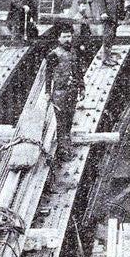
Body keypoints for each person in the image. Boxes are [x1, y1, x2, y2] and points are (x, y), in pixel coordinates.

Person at [45, 27, 84, 160]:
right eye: (64, 37)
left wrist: (82, 88)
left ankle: (67, 147)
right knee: (61, 123)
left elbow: (78, 72)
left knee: (69, 121)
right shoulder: (54, 54)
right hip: (60, 93)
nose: (67, 39)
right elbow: (48, 74)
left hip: (72, 92)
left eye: (69, 36)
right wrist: (47, 92)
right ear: (59, 38)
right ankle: (63, 151)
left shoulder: (74, 53)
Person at [92, 0, 125, 64]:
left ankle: (109, 56)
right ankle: (105, 58)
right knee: (108, 36)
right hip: (108, 15)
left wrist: (122, 13)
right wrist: (102, 12)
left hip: (115, 15)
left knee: (112, 35)